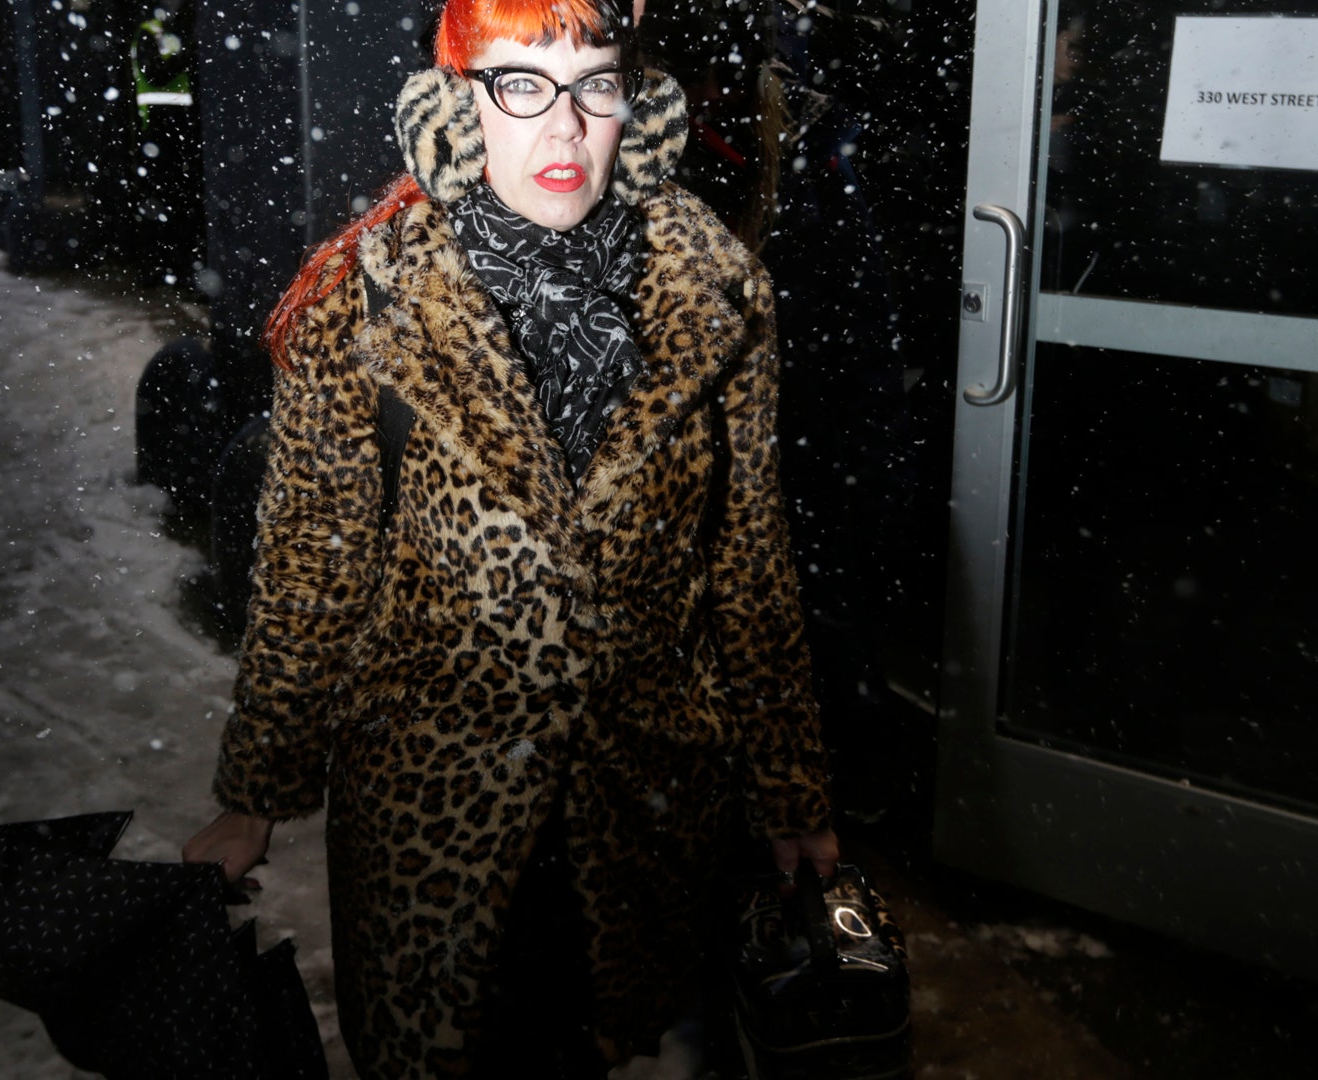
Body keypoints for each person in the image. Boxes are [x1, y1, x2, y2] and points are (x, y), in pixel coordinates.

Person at [182, 0, 839, 1075]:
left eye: (596, 83)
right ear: (458, 99)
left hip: (639, 807)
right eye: (522, 84)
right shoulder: (366, 297)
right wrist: (255, 793)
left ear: (639, 101)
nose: (566, 127)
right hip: (425, 810)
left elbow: (749, 565)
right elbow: (312, 564)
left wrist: (790, 794)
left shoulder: (716, 294)